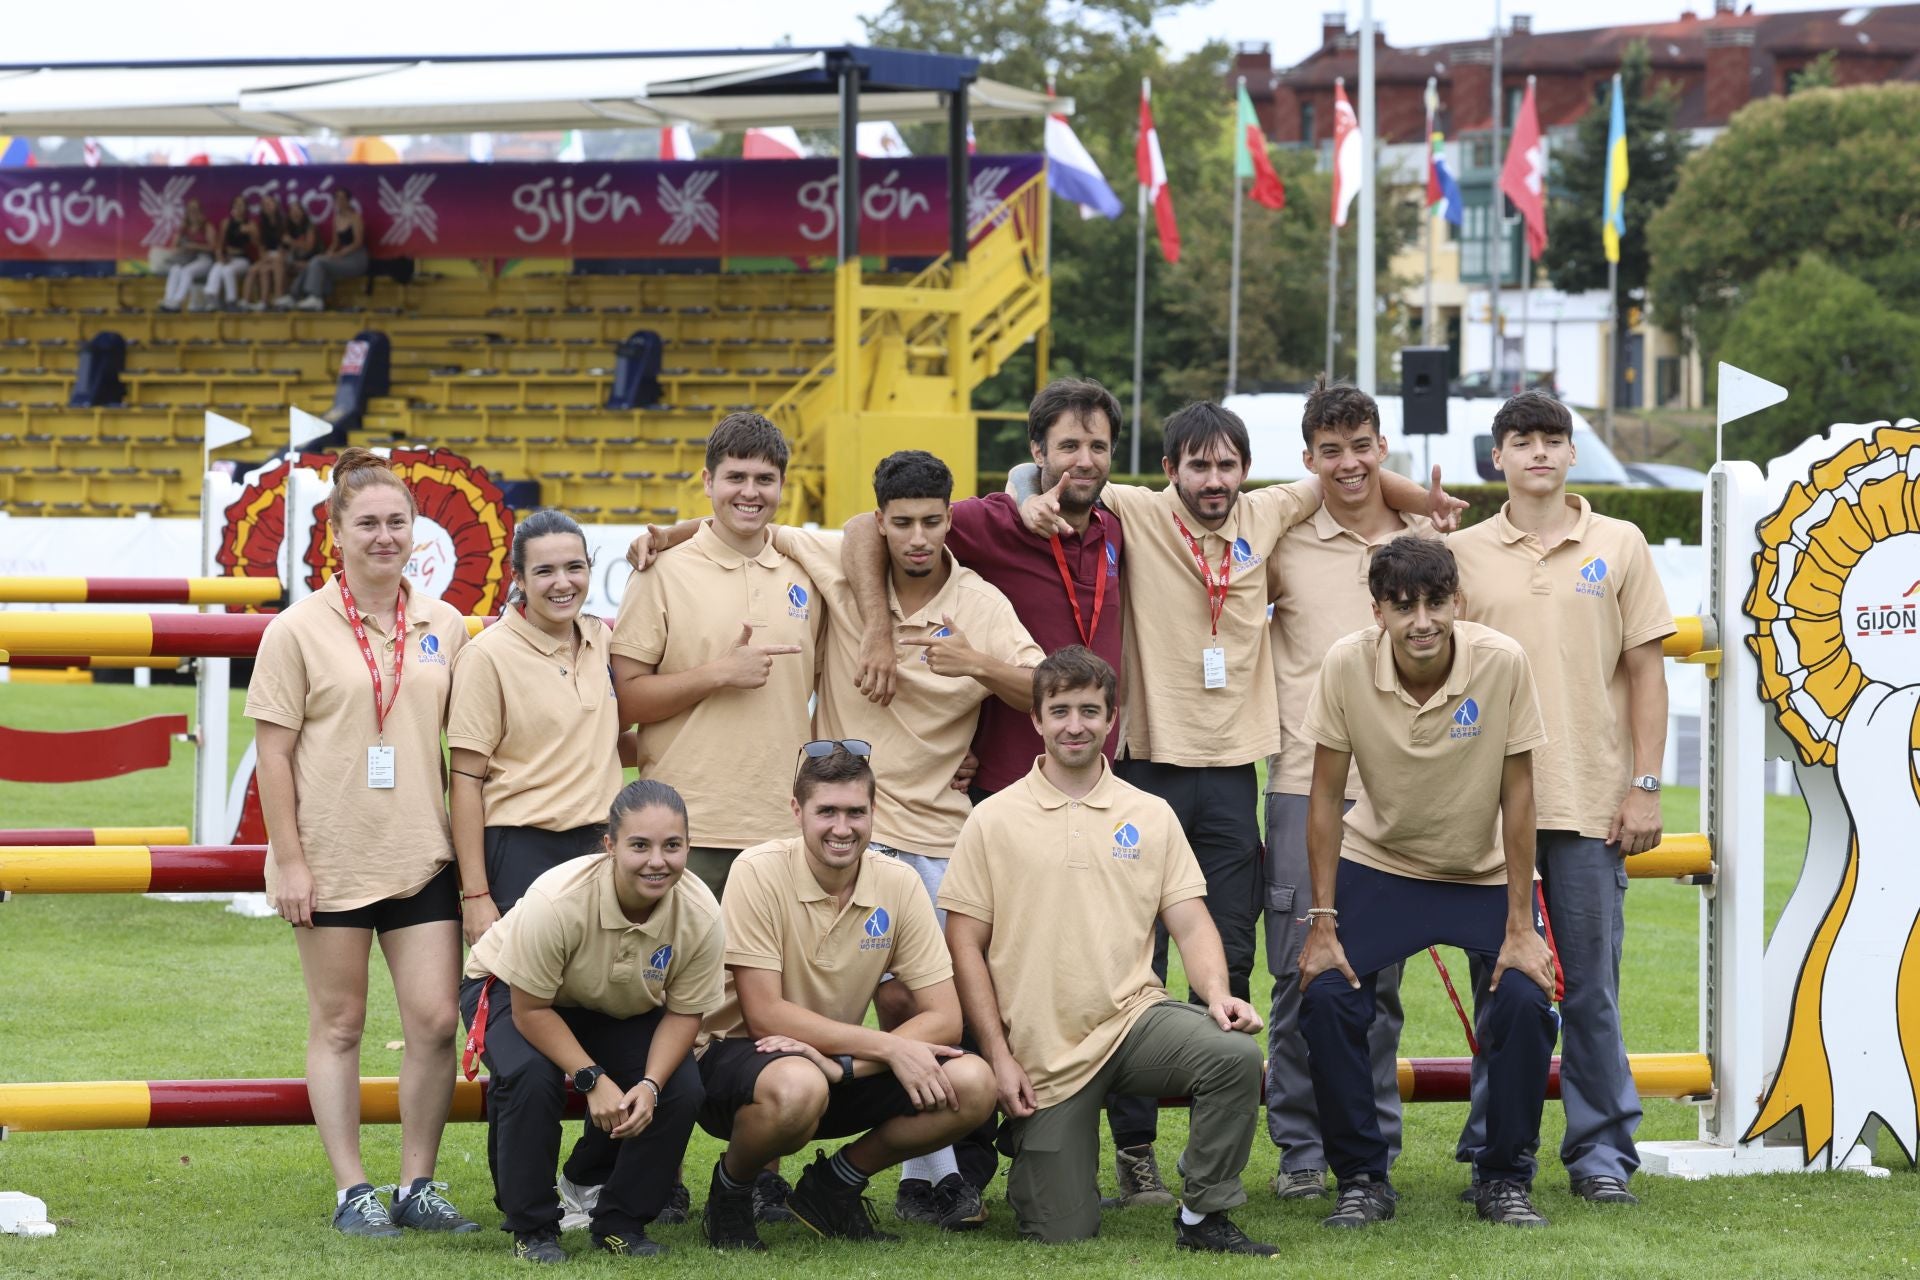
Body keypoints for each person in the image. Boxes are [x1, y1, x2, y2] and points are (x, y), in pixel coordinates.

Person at [1010, 401, 1462, 1191]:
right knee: (1131, 962)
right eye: (1198, 466)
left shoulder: (1268, 510)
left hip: (1233, 773)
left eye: (1227, 465)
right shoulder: (1138, 510)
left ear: (1246, 470)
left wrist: (1422, 499)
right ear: (1169, 471)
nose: (1213, 480)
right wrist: (1026, 497)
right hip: (1146, 764)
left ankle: (1214, 1153)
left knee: (1232, 960)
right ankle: (1137, 1150)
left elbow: (1345, 471)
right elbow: (1050, 473)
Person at [776, 449, 1041, 1228]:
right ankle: (916, 1176)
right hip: (846, 837)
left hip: (940, 838)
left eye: (932, 521)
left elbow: (1046, 687)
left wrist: (976, 664)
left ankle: (932, 1172)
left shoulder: (979, 601)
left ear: (949, 519)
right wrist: (667, 533)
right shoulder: (847, 568)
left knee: (942, 1006)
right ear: (882, 523)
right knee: (847, 1000)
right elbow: (760, 524)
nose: (918, 538)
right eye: (903, 524)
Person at [941, 646, 1275, 1253]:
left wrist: (1217, 995)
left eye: (1090, 711)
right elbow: (964, 944)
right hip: (1042, 1057)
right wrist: (999, 1056)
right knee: (1060, 1231)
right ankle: (1043, 1159)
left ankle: (1203, 1218)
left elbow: (1192, 923)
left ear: (1111, 718)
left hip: (1133, 1021)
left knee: (1233, 1056)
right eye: (1060, 711)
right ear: (1036, 720)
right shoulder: (992, 818)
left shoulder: (1151, 814)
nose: (1075, 725)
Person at [1449, 390, 1676, 1206]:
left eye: (1552, 439)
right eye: (1521, 440)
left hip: (1589, 803)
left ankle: (1601, 1156)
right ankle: (1494, 1149)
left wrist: (1644, 787)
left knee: (1590, 992)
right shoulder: (1462, 553)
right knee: (1502, 993)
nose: (1538, 452)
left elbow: (1647, 672)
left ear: (1572, 452)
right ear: (1497, 458)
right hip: (1488, 809)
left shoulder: (1620, 543)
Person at [246, 447, 479, 1238]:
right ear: (336, 535)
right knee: (340, 1025)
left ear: (415, 531)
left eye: (397, 522)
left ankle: (418, 1184)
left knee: (436, 1022)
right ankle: (353, 1190)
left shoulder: (445, 625)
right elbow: (273, 755)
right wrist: (290, 860)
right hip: (331, 858)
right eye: (369, 523)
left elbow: (471, 743)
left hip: (422, 855)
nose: (385, 536)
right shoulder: (296, 629)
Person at [1294, 535, 1559, 1229]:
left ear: (1457, 602)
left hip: (1484, 870)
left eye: (1435, 603)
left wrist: (1521, 926)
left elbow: (1519, 794)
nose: (1421, 621)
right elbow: (1324, 796)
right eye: (1403, 605)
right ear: (1377, 610)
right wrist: (1321, 922)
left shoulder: (1502, 661)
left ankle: (1503, 1178)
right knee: (1324, 995)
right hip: (1382, 860)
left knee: (1527, 1000)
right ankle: (1362, 1178)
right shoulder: (1345, 662)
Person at [693, 743, 998, 1252]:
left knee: (973, 1082)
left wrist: (848, 1067)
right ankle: (731, 1191)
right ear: (797, 811)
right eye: (827, 812)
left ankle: (834, 1186)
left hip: (836, 1066)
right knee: (799, 1083)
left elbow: (945, 1017)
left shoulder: (898, 882)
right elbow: (765, 1014)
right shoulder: (758, 869)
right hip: (740, 1061)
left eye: (856, 812)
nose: (842, 827)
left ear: (874, 811)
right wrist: (889, 1047)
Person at [1260, 378, 1427, 1200]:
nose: (1349, 464)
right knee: (1300, 972)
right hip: (1302, 782)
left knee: (1380, 977)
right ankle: (1299, 1149)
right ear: (1308, 459)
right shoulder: (1284, 542)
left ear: (1382, 447)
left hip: (1399, 790)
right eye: (1331, 451)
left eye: (1362, 447)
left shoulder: (1427, 540)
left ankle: (1371, 1145)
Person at [460, 780, 723, 1262]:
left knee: (680, 1087)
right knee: (530, 1075)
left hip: (610, 1000)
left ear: (689, 845)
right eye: (639, 845)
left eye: (672, 845)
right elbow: (531, 1012)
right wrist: (592, 1078)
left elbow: (685, 1013)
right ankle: (533, 1229)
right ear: (610, 846)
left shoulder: (702, 912)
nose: (657, 861)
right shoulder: (557, 898)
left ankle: (620, 1222)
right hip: (511, 989)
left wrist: (650, 1084)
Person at [610, 411, 821, 903]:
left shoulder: (807, 571)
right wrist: (718, 674)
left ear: (783, 485)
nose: (750, 492)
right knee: (677, 956)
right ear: (707, 481)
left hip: (785, 827)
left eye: (764, 479)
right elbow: (625, 701)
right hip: (684, 828)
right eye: (735, 477)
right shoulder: (659, 572)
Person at [291, 188, 368, 311]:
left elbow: (357, 243)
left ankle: (315, 297)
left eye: (342, 198)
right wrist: (328, 254)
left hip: (356, 259)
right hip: (343, 257)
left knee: (318, 262)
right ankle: (296, 295)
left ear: (348, 200)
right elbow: (335, 243)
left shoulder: (355, 218)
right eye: (336, 198)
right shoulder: (336, 218)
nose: (339, 201)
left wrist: (339, 254)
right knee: (315, 261)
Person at [157, 197, 215, 312]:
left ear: (201, 212)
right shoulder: (184, 228)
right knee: (175, 269)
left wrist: (195, 246)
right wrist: (183, 248)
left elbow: (213, 247)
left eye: (196, 210)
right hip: (188, 258)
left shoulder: (207, 226)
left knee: (187, 271)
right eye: (190, 210)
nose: (193, 213)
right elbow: (174, 247)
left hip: (204, 259)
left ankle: (177, 302)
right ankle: (168, 299)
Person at [204, 193, 255, 311]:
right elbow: (220, 244)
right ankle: (211, 298)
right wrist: (220, 256)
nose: (239, 207)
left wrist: (251, 232)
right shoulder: (226, 223)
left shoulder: (250, 224)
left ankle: (231, 301)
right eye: (236, 205)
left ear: (246, 207)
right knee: (217, 267)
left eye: (241, 205)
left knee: (228, 270)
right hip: (228, 257)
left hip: (242, 259)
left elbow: (257, 243)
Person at [242, 192, 288, 311]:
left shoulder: (284, 222)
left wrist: (276, 256)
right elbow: (261, 247)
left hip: (283, 256)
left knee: (276, 261)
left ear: (276, 205)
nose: (267, 206)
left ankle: (278, 298)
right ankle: (247, 302)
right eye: (264, 204)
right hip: (268, 256)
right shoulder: (262, 225)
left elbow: (286, 246)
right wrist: (253, 234)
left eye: (269, 203)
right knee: (254, 269)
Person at [271, 200, 318, 309]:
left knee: (301, 265)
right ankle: (279, 297)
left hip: (310, 261)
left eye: (297, 210)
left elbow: (309, 247)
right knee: (278, 261)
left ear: (303, 212)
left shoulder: (309, 227)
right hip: (294, 261)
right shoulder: (288, 228)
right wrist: (283, 252)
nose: (295, 213)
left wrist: (292, 242)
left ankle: (292, 297)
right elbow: (283, 248)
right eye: (292, 211)